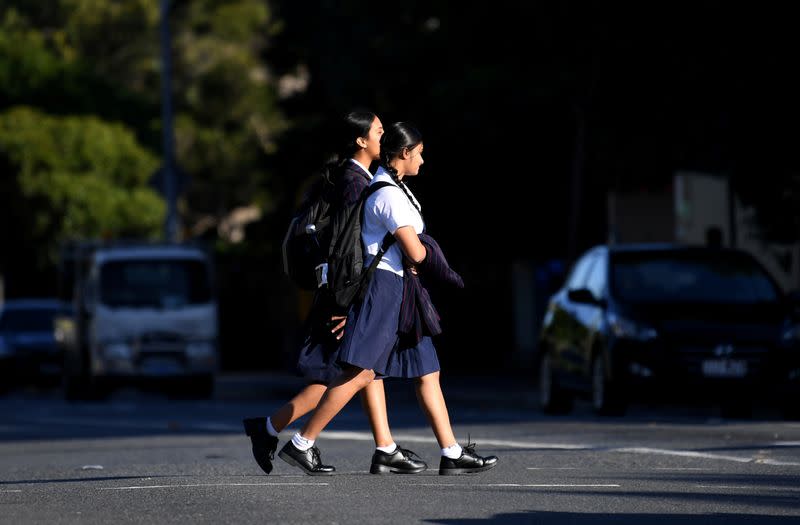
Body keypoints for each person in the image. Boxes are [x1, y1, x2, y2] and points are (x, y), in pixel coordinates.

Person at [278, 121, 499, 476]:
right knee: (361, 372)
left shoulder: (392, 188)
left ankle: (452, 452)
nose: (423, 162)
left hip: (402, 291)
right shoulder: (387, 194)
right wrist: (437, 263)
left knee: (429, 372)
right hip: (384, 290)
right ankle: (302, 443)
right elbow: (414, 250)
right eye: (421, 154)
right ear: (406, 153)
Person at [243, 110, 427, 476]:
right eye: (377, 131)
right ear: (361, 141)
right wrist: (345, 302)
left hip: (342, 289)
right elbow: (345, 249)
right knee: (342, 373)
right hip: (342, 292)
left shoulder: (355, 177)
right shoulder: (354, 183)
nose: (383, 136)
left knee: (363, 369)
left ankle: (384, 447)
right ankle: (285, 435)